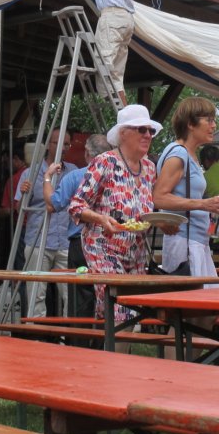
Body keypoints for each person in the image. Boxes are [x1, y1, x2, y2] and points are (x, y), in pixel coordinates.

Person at [68, 105, 165, 332]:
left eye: (151, 131)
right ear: (123, 133)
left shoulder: (149, 168)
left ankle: (111, 361)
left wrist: (162, 222)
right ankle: (118, 365)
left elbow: (148, 209)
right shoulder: (105, 163)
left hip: (137, 250)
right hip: (103, 246)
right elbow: (76, 206)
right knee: (122, 312)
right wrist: (102, 219)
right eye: (141, 129)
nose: (148, 135)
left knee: (133, 311)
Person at [50, 0, 135, 106]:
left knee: (103, 66)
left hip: (112, 17)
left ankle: (119, 112)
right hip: (127, 20)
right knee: (116, 75)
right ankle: (126, 115)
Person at [153, 97, 219, 279]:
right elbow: (159, 197)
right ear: (190, 124)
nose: (214, 125)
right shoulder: (179, 154)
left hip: (193, 241)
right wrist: (205, 204)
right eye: (208, 120)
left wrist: (216, 203)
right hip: (185, 243)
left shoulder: (187, 154)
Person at [43, 133, 112, 320]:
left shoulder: (75, 177)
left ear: (88, 153)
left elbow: (53, 204)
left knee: (79, 298)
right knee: (107, 295)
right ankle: (102, 344)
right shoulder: (116, 177)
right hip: (108, 243)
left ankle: (79, 342)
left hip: (79, 245)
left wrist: (47, 178)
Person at [15, 129, 76, 317]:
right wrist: (25, 194)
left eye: (66, 144)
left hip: (65, 241)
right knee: (36, 294)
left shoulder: (73, 171)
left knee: (70, 295)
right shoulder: (31, 172)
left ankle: (69, 341)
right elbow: (19, 208)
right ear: (48, 144)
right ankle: (36, 342)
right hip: (38, 240)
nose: (62, 148)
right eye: (57, 143)